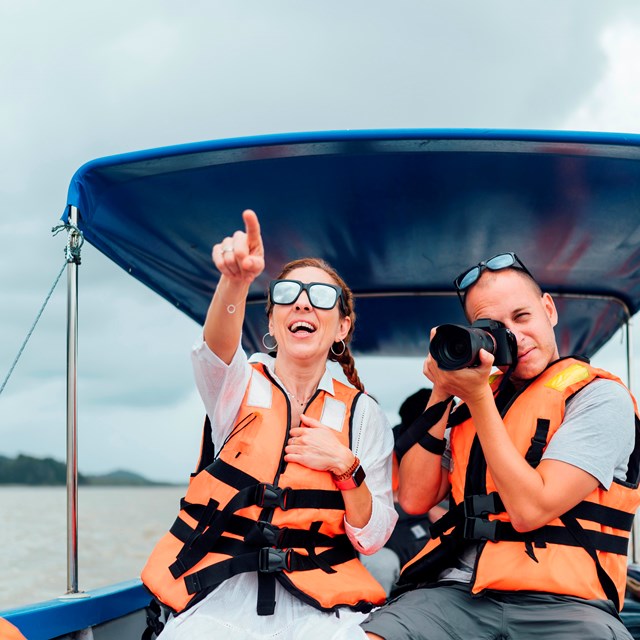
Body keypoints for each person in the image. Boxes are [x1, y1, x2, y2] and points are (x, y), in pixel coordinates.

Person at [141, 209, 397, 640]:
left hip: (318, 608)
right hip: (218, 597)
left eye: (320, 296)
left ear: (342, 328)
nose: (303, 302)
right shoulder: (235, 386)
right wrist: (237, 281)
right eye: (289, 293)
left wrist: (346, 469)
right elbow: (214, 348)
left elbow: (372, 538)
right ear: (274, 322)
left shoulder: (364, 415)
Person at [359, 252, 640, 640]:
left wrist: (477, 398)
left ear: (548, 309)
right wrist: (442, 389)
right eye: (494, 328)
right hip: (458, 593)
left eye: (522, 317)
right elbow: (414, 498)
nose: (515, 337)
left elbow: (529, 511)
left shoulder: (599, 398)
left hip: (568, 606)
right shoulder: (471, 402)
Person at [361, 389, 447, 596]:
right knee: (382, 562)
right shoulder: (345, 453)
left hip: (417, 525)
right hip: (375, 532)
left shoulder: (455, 447)